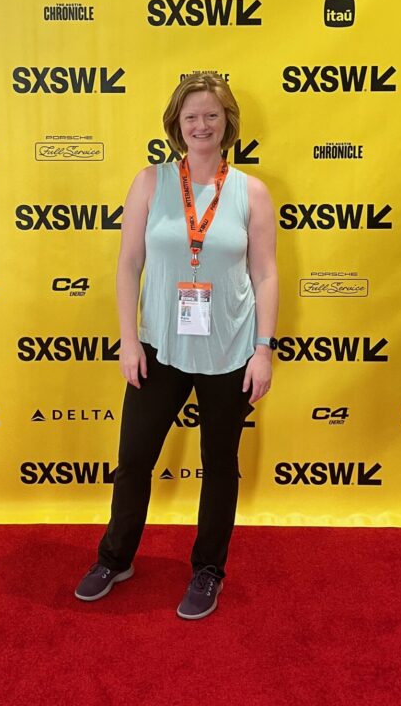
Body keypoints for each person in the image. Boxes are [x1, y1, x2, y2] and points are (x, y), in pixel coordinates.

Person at [74, 72, 278, 619]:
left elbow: (265, 274)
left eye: (212, 114)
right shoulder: (150, 182)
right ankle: (115, 558)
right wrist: (127, 341)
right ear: (176, 125)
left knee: (219, 464)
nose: (202, 124)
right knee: (134, 459)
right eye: (191, 116)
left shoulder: (251, 192)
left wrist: (263, 348)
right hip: (158, 346)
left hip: (229, 350)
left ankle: (208, 571)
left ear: (227, 122)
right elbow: (128, 264)